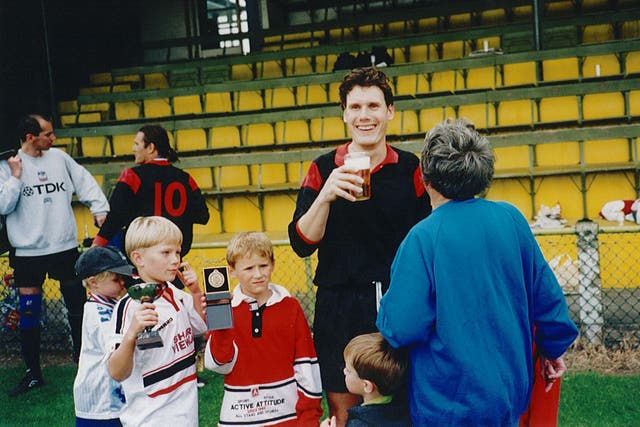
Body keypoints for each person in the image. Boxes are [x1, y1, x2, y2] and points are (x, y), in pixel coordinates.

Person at [376, 118, 579, 426]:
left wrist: (384, 313)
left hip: (445, 401)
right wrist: (552, 348)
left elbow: (403, 326)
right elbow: (548, 300)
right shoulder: (510, 218)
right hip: (507, 391)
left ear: (425, 177)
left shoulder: (422, 237)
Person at [287, 66, 430, 425]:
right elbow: (302, 243)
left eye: (373, 106)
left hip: (396, 300)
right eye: (355, 107)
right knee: (345, 411)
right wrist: (326, 196)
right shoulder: (323, 168)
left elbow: (428, 239)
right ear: (344, 114)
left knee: (405, 405)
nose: (364, 116)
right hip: (340, 303)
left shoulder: (411, 168)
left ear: (390, 111)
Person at [0, 114, 109, 396]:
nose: (54, 138)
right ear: (30, 137)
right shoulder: (8, 165)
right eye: (48, 134)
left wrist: (99, 208)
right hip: (27, 251)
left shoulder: (59, 158)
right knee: (29, 312)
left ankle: (84, 361)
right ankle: (34, 373)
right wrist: (15, 176)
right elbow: (3, 205)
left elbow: (84, 180)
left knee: (77, 305)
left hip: (64, 247)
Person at [204, 231, 323, 426]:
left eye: (263, 266)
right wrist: (219, 323)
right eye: (249, 268)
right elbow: (219, 363)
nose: (258, 274)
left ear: (273, 265)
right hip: (238, 417)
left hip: (286, 415)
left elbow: (305, 364)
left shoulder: (290, 307)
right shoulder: (226, 309)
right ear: (232, 271)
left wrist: (309, 417)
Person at [107, 216, 207, 426]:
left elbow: (202, 327)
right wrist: (132, 334)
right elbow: (116, 372)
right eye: (166, 252)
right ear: (138, 258)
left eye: (177, 252)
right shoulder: (128, 307)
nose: (175, 260)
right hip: (150, 418)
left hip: (186, 414)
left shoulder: (176, 294)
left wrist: (196, 291)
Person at [93, 124, 209, 258]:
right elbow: (203, 216)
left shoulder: (131, 176)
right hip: (175, 255)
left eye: (136, 144)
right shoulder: (186, 178)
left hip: (143, 256)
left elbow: (114, 218)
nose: (133, 149)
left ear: (151, 148)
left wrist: (95, 246)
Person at [73, 246, 134, 426]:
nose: (123, 283)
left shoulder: (110, 304)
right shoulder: (100, 313)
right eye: (116, 279)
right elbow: (116, 348)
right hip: (100, 403)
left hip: (109, 398)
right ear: (94, 282)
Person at [321, 332, 411, 427]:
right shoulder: (402, 408)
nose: (344, 371)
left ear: (367, 386)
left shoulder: (359, 424)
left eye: (349, 370)